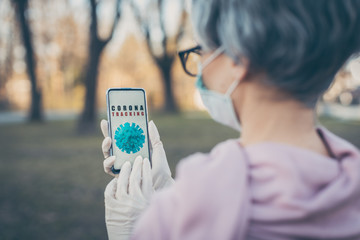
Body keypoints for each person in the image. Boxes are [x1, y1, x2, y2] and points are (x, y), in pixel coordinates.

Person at [100, 0, 360, 239]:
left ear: (237, 55)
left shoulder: (178, 216)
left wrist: (140, 228)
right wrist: (168, 190)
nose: (200, 67)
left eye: (201, 50)